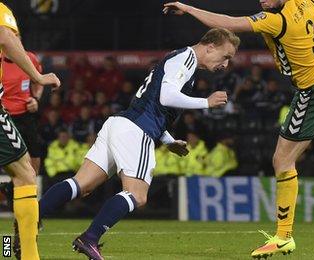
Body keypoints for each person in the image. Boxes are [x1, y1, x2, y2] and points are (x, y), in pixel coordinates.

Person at [163, 1, 314, 257]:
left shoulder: (276, 20)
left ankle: (283, 236)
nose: (262, 1)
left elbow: (227, 22)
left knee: (282, 161)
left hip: (312, 90)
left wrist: (190, 9)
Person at [35, 28, 238, 260]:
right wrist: (206, 102)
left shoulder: (180, 59)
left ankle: (31, 217)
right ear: (210, 46)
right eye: (226, 56)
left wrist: (168, 141)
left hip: (121, 124)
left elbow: (154, 104)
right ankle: (89, 238)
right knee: (137, 195)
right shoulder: (187, 58)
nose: (226, 64)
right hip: (135, 131)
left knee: (82, 184)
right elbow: (166, 97)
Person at [0, 3, 61, 259]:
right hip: (5, 114)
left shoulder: (29, 57)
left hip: (25, 119)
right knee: (25, 174)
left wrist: (36, 96)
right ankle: (27, 254)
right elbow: (5, 35)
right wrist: (40, 77)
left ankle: (14, 234)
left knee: (29, 169)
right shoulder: (2, 13)